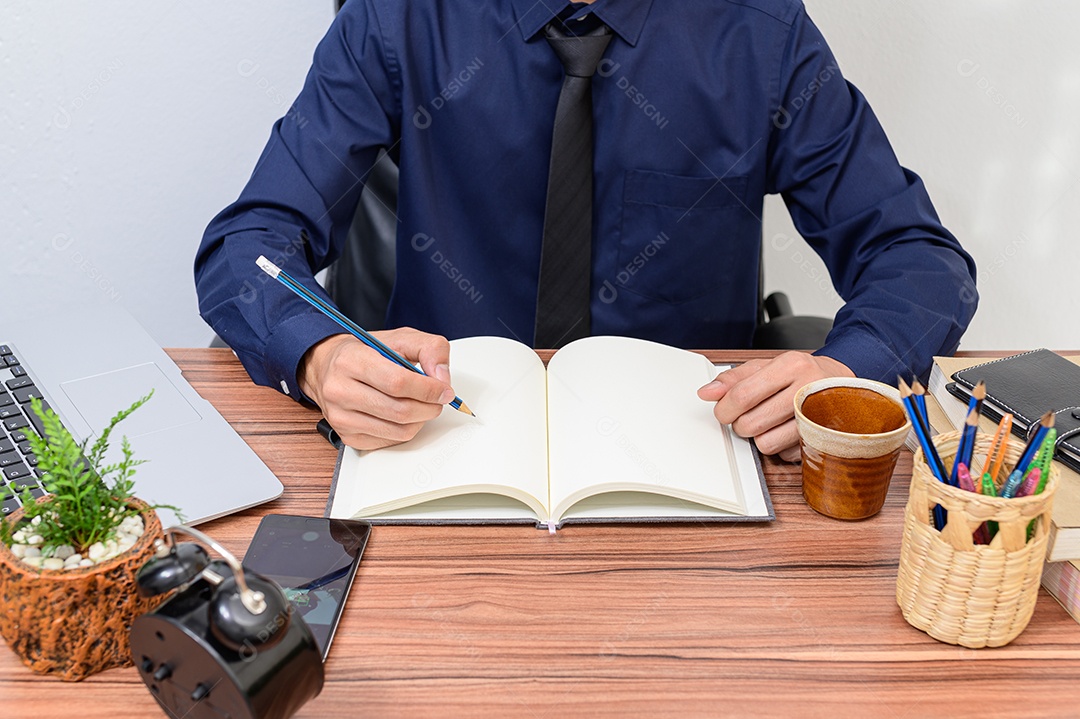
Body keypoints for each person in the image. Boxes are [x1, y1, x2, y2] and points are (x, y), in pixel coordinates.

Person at [194, 0, 977, 460]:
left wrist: (843, 370)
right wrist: (318, 353)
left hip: (692, 453)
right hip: (440, 443)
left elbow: (918, 259)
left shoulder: (760, 32)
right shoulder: (400, 16)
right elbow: (248, 245)